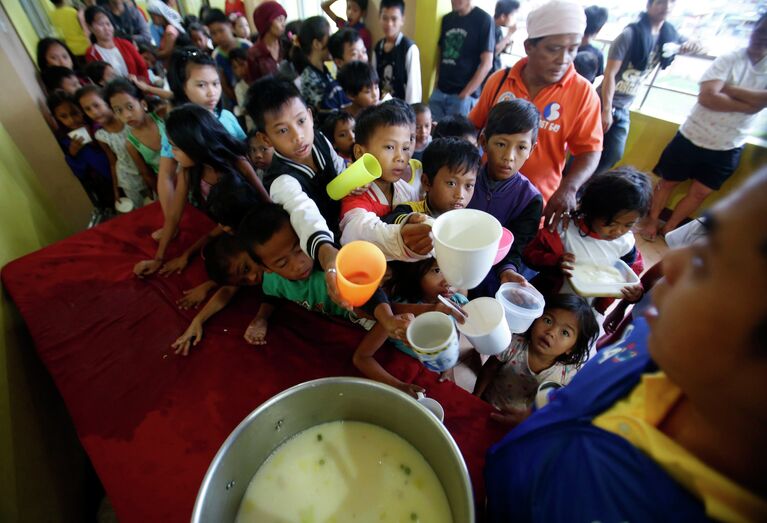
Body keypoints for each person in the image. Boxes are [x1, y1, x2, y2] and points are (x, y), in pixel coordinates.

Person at [485, 169, 767, 522]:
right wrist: (538, 418)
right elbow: (580, 398)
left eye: (708, 264)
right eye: (704, 242)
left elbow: (629, 264)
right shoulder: (655, 337)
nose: (673, 261)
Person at [469, 0, 602, 230]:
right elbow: (474, 127)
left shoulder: (583, 94)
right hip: (484, 198)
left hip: (533, 208)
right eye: (554, 48)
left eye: (572, 49)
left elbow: (590, 151)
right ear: (529, 46)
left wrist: (569, 187)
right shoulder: (500, 80)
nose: (564, 59)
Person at [638, 13, 767, 241]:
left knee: (701, 192)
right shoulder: (730, 58)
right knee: (667, 182)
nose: (761, 37)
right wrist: (747, 103)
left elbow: (758, 105)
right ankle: (651, 220)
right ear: (753, 28)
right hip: (692, 134)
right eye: (760, 30)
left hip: (729, 143)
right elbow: (707, 97)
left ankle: (671, 229)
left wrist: (729, 89)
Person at [134, 47, 257, 275]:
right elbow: (172, 205)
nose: (211, 92)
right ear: (183, 87)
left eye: (215, 83)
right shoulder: (185, 160)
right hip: (221, 220)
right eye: (201, 85)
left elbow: (262, 198)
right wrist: (159, 257)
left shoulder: (232, 147)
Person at [245, 77, 350, 310]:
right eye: (282, 130)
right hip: (324, 250)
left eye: (301, 121)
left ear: (311, 116)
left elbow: (340, 170)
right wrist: (326, 252)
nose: (298, 136)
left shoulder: (320, 140)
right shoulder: (282, 181)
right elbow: (304, 214)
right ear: (265, 138)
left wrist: (353, 179)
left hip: (347, 221)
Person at [523, 167, 649, 313]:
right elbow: (529, 254)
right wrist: (555, 261)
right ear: (592, 210)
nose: (618, 231)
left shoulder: (625, 243)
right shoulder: (564, 231)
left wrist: (634, 293)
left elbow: (630, 270)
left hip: (585, 311)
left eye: (628, 225)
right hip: (547, 303)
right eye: (611, 223)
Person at [596, 0, 700, 175]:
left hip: (624, 107)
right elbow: (610, 74)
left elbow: (699, 45)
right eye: (660, 2)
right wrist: (606, 109)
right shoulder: (630, 35)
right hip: (604, 103)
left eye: (671, 2)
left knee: (613, 154)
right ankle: (572, 187)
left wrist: (692, 44)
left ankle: (583, 190)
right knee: (589, 150)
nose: (666, 7)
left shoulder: (668, 36)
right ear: (649, 5)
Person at [354, 257, 469, 397]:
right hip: (402, 370)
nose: (449, 282)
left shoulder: (456, 303)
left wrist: (449, 366)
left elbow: (454, 332)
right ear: (416, 272)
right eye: (437, 270)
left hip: (430, 372)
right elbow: (361, 357)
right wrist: (397, 386)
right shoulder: (399, 318)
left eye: (454, 270)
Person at [474, 294, 598, 417]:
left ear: (571, 348)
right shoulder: (513, 345)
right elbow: (488, 369)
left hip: (519, 424)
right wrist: (475, 397)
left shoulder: (567, 374)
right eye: (548, 320)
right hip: (488, 405)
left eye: (565, 332)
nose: (551, 332)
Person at [467, 100, 543, 297]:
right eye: (501, 144)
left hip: (492, 279)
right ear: (483, 141)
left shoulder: (530, 199)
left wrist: (508, 270)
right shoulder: (463, 179)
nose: (509, 156)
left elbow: (517, 247)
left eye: (521, 147)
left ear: (532, 150)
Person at [339, 103, 432, 261]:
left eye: (405, 148)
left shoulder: (405, 190)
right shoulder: (355, 193)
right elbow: (358, 231)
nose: (400, 157)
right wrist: (401, 235)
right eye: (389, 147)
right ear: (360, 152)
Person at [77, 85, 150, 209]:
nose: (94, 112)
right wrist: (116, 189)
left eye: (96, 105)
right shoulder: (101, 135)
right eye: (87, 109)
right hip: (128, 181)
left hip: (149, 174)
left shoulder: (130, 121)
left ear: (108, 103)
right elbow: (113, 162)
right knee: (142, 211)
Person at [47, 90, 115, 221]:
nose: (71, 120)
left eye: (74, 113)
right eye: (63, 116)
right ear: (56, 118)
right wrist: (72, 154)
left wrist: (96, 140)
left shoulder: (97, 125)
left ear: (81, 109)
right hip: (104, 186)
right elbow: (80, 174)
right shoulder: (66, 141)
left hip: (123, 173)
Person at [383, 136, 480, 224]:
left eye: (468, 186)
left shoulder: (469, 220)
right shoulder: (409, 211)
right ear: (427, 182)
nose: (460, 195)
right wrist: (409, 221)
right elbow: (391, 221)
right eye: (451, 183)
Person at [429, 0, 495, 120]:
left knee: (456, 137)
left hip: (462, 97)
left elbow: (487, 63)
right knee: (433, 135)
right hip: (440, 91)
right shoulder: (447, 19)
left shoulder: (483, 19)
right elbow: (440, 52)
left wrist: (466, 93)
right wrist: (436, 84)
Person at [105, 78, 164, 195]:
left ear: (143, 104)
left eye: (130, 107)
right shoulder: (131, 144)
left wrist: (148, 88)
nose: (126, 115)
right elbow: (146, 174)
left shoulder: (162, 115)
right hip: (170, 184)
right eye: (118, 110)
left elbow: (181, 97)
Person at [372, 0, 422, 104]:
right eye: (385, 18)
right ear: (379, 18)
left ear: (402, 20)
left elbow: (413, 89)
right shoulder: (377, 48)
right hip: (381, 108)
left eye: (394, 19)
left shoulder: (409, 48)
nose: (389, 24)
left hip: (401, 111)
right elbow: (373, 80)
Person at [84, 6, 149, 82]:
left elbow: (142, 67)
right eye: (101, 24)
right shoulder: (92, 54)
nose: (106, 28)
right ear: (90, 28)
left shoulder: (125, 44)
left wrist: (143, 85)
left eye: (108, 24)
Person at [204, 8, 251, 107]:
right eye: (213, 34)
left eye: (221, 30)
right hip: (236, 100)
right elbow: (224, 85)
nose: (218, 36)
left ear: (230, 27)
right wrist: (238, 99)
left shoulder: (246, 46)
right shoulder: (216, 57)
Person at [322, 28, 367, 112]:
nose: (362, 57)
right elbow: (330, 123)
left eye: (364, 51)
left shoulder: (369, 83)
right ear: (339, 62)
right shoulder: (335, 91)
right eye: (354, 54)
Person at [296, 16, 334, 111]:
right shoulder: (309, 78)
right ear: (317, 44)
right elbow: (329, 110)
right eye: (329, 38)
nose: (333, 42)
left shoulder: (325, 69)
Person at [247, 1, 288, 82]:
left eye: (284, 20)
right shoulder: (254, 54)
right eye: (280, 20)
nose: (283, 24)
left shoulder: (287, 44)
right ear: (266, 23)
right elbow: (256, 85)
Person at [146, 0, 188, 66]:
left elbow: (167, 52)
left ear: (159, 14)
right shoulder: (164, 29)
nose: (152, 20)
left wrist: (153, 55)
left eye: (152, 17)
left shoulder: (170, 30)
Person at [576, 5, 608, 83]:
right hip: (582, 93)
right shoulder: (598, 55)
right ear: (599, 28)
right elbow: (597, 76)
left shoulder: (566, 49)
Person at [491, 0, 519, 77]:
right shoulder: (490, 27)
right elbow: (493, 52)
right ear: (503, 16)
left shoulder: (498, 29)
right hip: (487, 74)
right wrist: (509, 34)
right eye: (513, 15)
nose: (514, 19)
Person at [229, 47, 253, 130]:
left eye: (242, 65)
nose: (239, 70)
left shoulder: (259, 79)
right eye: (235, 67)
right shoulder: (239, 88)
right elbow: (244, 109)